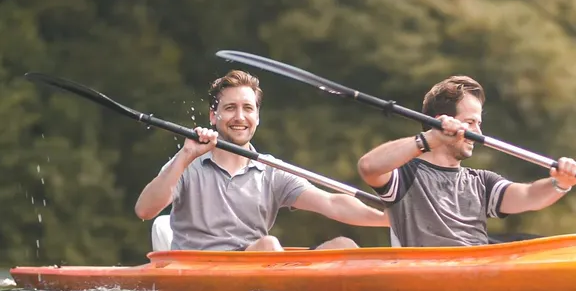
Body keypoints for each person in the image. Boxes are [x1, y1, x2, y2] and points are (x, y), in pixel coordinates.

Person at [135, 69, 388, 251]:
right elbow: (145, 210)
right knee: (269, 245)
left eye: (248, 108)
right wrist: (185, 155)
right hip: (202, 270)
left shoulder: (271, 170)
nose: (240, 117)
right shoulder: (186, 163)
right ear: (214, 116)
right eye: (230, 108)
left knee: (344, 246)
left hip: (258, 266)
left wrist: (388, 219)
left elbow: (332, 202)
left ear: (258, 117)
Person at [357, 75, 576, 247]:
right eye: (470, 122)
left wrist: (559, 183)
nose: (478, 132)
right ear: (441, 122)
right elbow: (369, 167)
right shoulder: (405, 175)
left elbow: (528, 196)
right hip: (428, 282)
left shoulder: (482, 181)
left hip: (475, 276)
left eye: (479, 123)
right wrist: (431, 138)